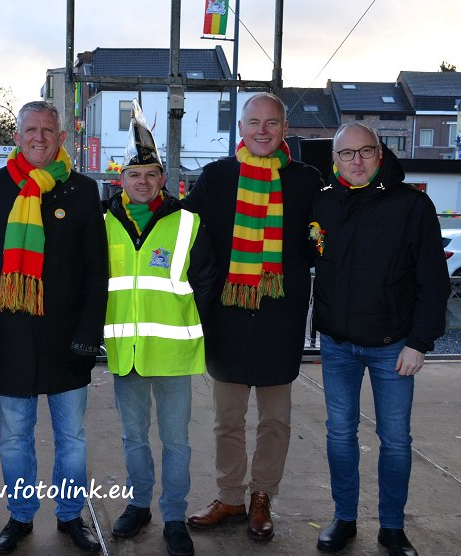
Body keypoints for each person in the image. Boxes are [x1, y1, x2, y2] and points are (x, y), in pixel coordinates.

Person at [0, 101, 108, 555]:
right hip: (9, 337)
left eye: (47, 130)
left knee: (72, 438)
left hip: (67, 339)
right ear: (17, 136)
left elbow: (96, 271)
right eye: (30, 130)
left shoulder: (82, 190)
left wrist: (88, 337)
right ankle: (21, 516)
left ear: (61, 137)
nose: (39, 137)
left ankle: (70, 515)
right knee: (15, 438)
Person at [183, 92, 323, 541]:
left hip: (281, 315)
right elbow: (184, 232)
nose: (263, 131)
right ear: (240, 128)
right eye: (254, 122)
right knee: (227, 418)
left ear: (285, 129)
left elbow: (323, 239)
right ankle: (229, 496)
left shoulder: (306, 180)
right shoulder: (217, 177)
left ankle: (262, 496)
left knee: (275, 420)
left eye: (272, 122)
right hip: (227, 315)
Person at [311, 122, 450, 556]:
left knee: (395, 439)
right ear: (335, 160)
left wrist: (419, 342)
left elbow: (434, 280)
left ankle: (392, 527)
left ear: (380, 153)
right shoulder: (323, 203)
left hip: (394, 347)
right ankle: (344, 518)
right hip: (338, 346)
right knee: (339, 434)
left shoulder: (411, 205)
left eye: (365, 151)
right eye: (346, 153)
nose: (356, 161)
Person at [104, 100, 217, 556]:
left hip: (172, 352)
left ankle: (173, 514)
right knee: (133, 437)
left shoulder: (187, 222)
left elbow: (206, 282)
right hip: (125, 352)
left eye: (151, 174)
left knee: (176, 441)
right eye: (134, 174)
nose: (143, 182)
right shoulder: (103, 222)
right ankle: (138, 505)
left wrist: (189, 325)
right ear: (121, 179)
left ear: (163, 178)